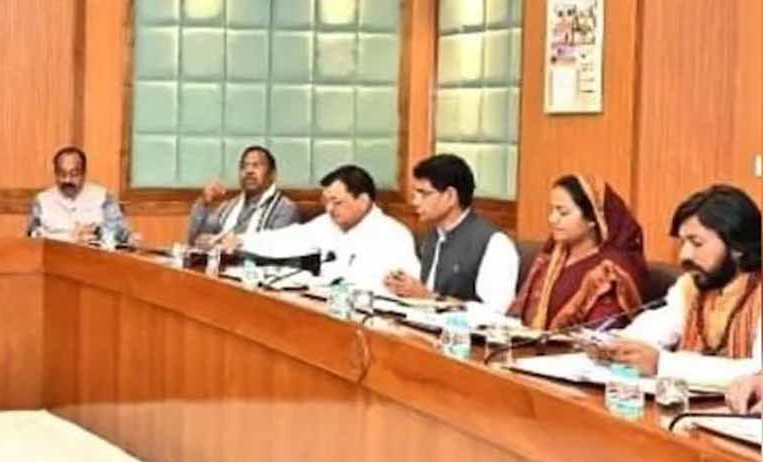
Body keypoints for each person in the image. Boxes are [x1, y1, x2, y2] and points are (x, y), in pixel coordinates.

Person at [604, 185, 760, 384]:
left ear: (737, 247)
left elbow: (758, 371)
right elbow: (654, 327)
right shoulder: (691, 287)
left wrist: (663, 364)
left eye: (697, 243)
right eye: (682, 243)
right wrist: (614, 345)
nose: (684, 255)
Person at [221, 164, 419, 292]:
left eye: (337, 202)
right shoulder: (327, 224)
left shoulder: (394, 236)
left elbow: (408, 289)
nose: (329, 209)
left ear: (363, 200)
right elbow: (289, 239)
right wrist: (241, 241)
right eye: (327, 202)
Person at [509, 174, 648, 330]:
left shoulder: (610, 270)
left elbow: (599, 330)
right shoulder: (552, 256)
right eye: (552, 210)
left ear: (593, 218)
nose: (552, 219)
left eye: (563, 213)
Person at [383, 154, 519, 312]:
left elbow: (495, 313)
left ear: (450, 196)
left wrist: (429, 298)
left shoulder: (495, 243)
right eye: (415, 194)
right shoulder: (432, 237)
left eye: (423, 194)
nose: (415, 202)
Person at [187, 145, 298, 248]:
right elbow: (194, 240)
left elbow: (277, 248)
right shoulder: (228, 207)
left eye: (256, 165)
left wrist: (239, 243)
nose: (249, 171)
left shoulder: (285, 208)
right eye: (244, 166)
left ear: (272, 174)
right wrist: (204, 202)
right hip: (224, 262)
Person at [27, 146, 129, 243]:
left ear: (84, 173)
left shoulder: (103, 197)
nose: (67, 180)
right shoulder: (42, 200)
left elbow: (121, 234)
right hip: (54, 253)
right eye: (62, 174)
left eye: (74, 174)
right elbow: (32, 237)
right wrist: (67, 238)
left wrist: (96, 233)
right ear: (55, 173)